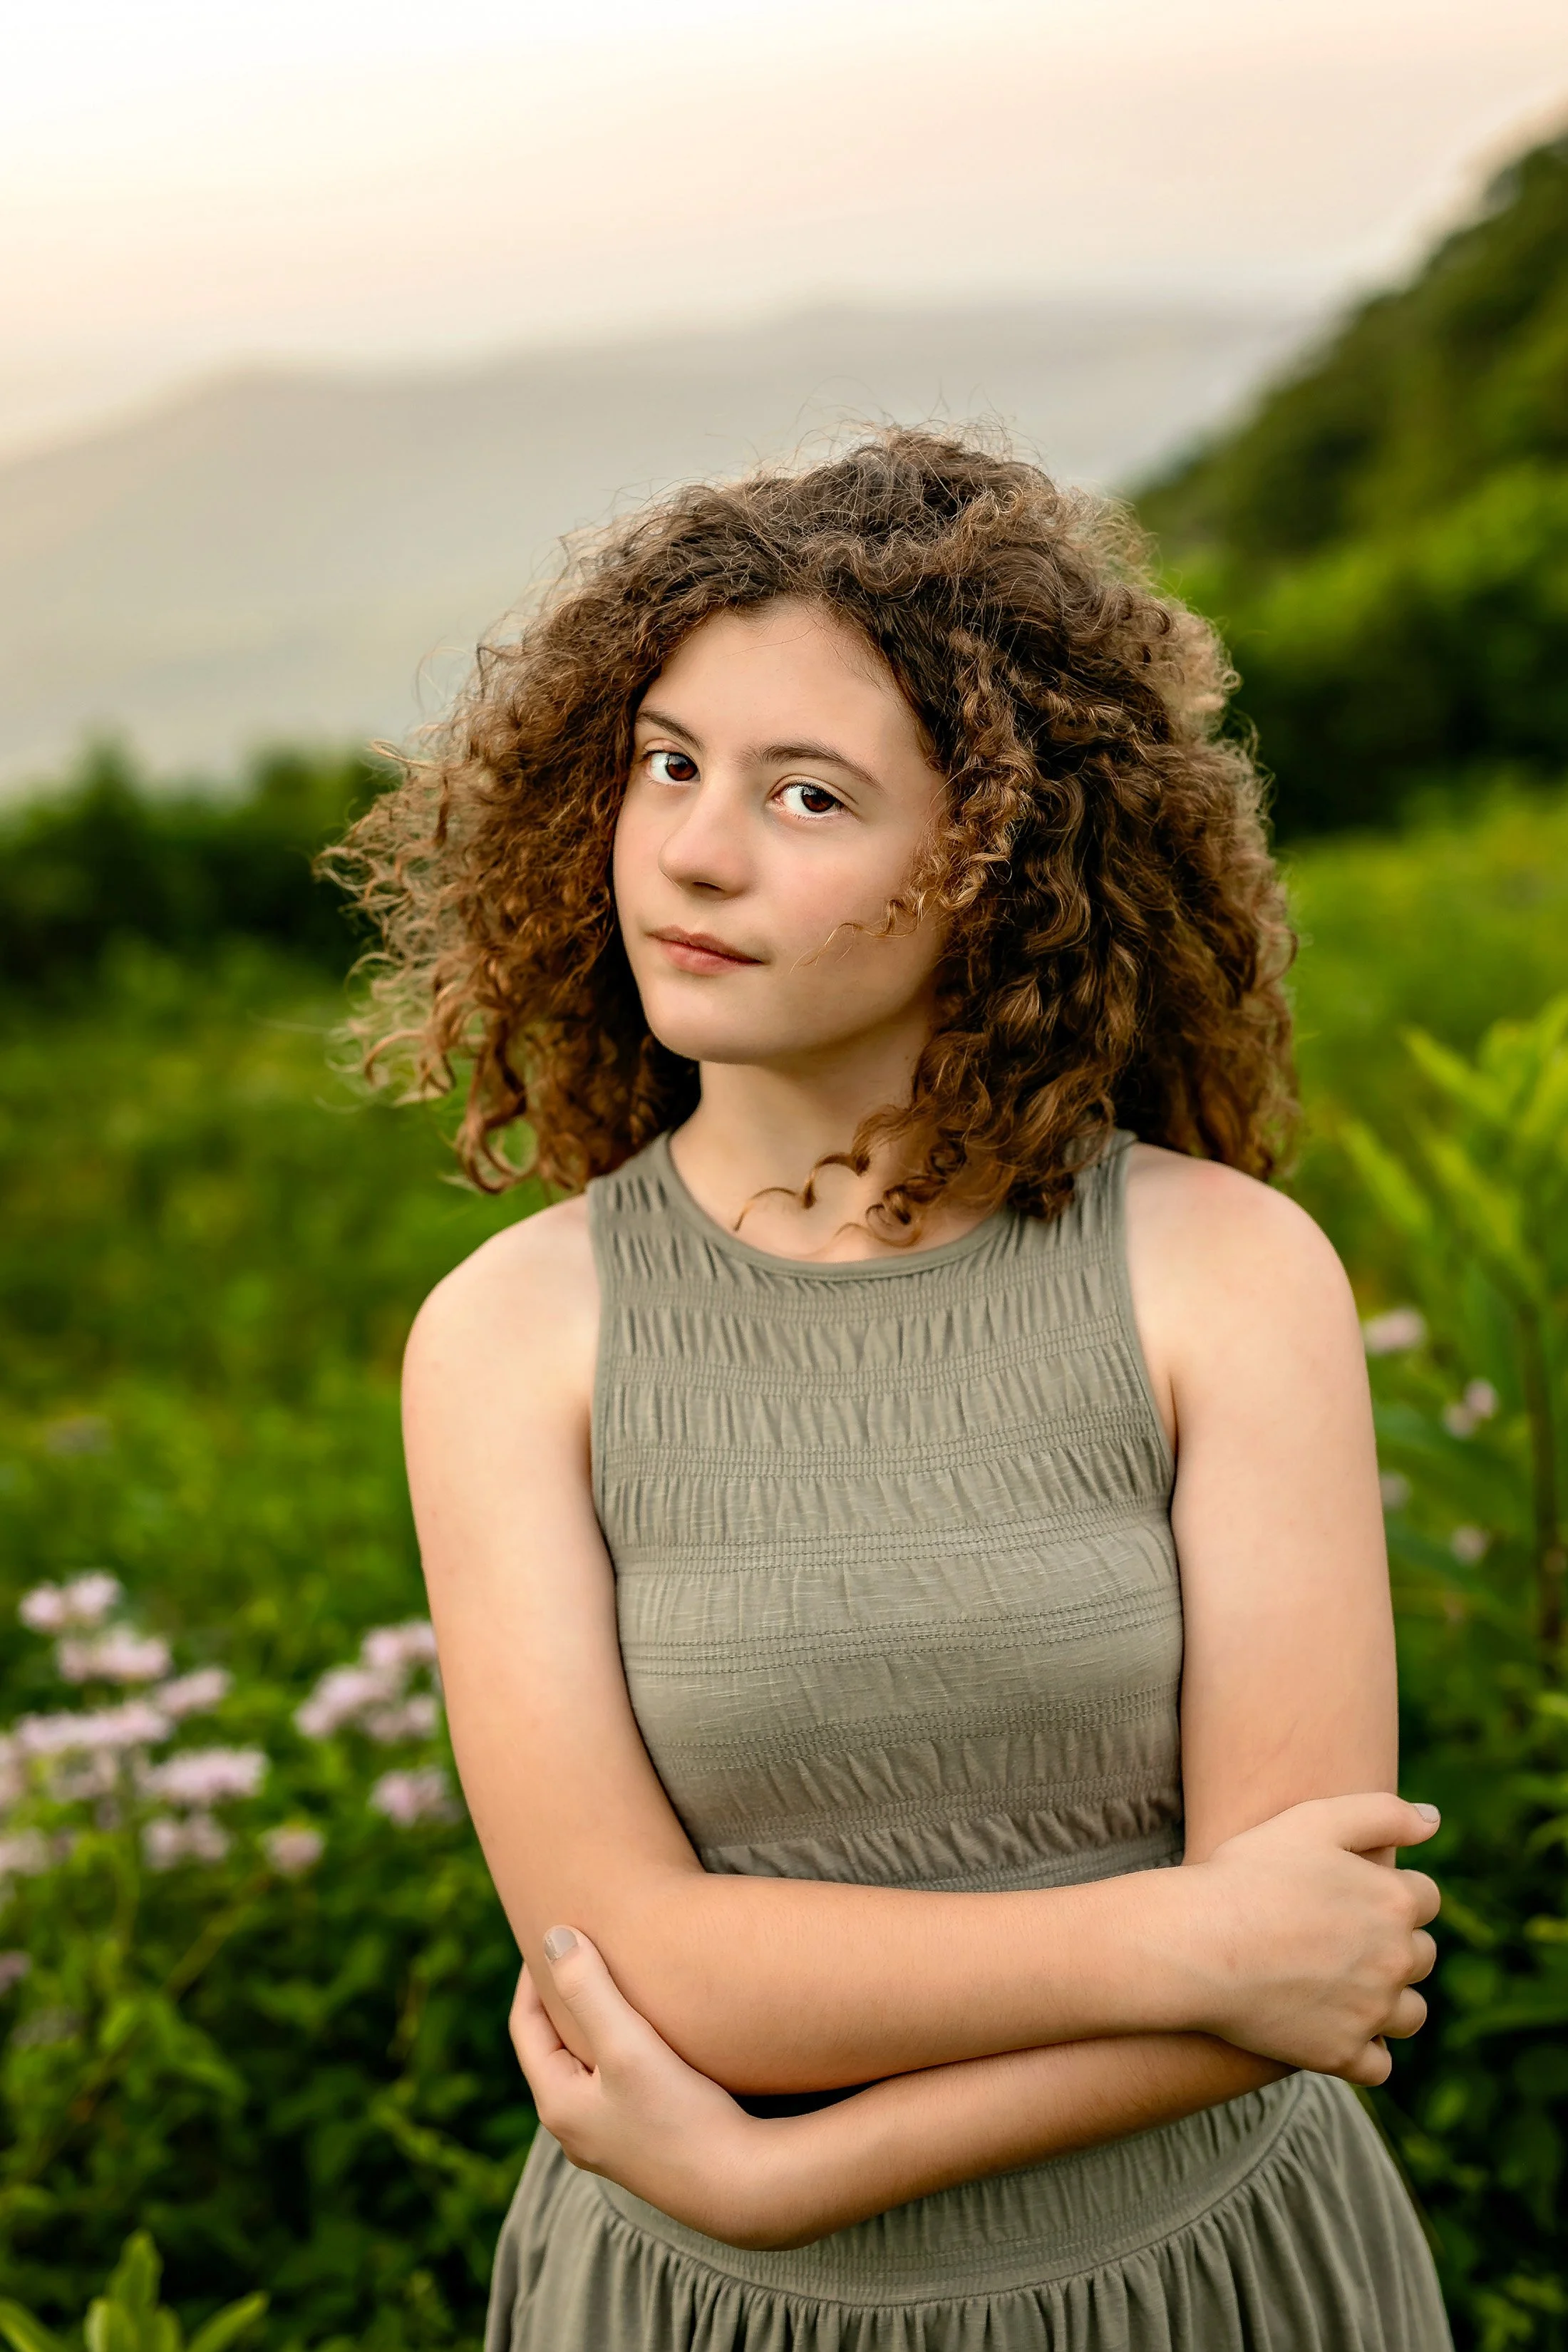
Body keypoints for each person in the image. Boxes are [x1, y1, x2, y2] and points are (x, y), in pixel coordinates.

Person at [335, 430, 1450, 2348]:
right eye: (670, 762)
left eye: (810, 795)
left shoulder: (1226, 1276)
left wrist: (783, 2165)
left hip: (1215, 2282)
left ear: (998, 858)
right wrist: (1188, 1938)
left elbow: (1324, 1968)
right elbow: (645, 1969)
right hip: (701, 2306)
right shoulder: (514, 1337)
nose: (694, 849)